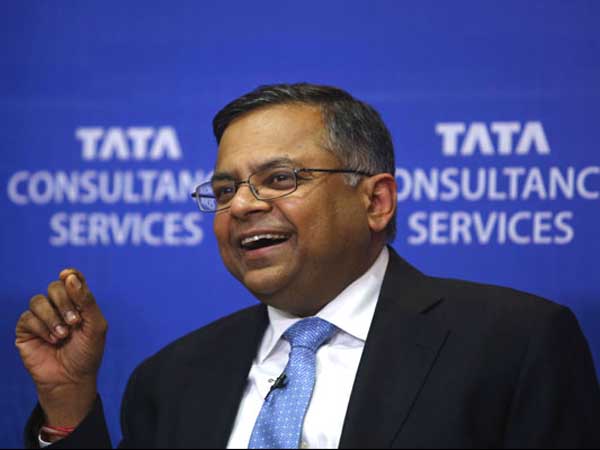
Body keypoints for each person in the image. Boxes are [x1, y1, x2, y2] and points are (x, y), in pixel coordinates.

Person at [16, 83, 600, 449]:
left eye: (279, 179)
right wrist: (68, 406)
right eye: (224, 190)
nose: (241, 206)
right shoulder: (172, 378)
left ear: (376, 201)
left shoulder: (515, 344)